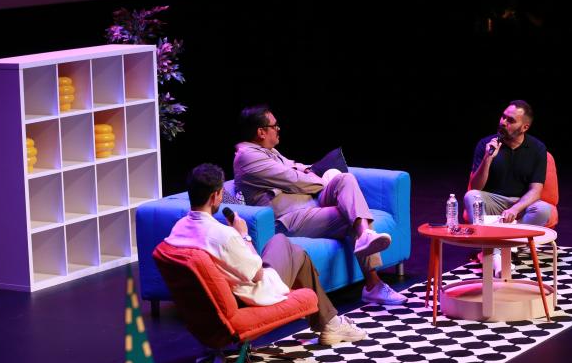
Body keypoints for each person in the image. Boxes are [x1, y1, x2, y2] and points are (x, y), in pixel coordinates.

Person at [165, 163, 367, 346]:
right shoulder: (223, 235)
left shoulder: (178, 228)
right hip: (249, 295)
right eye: (221, 193)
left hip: (210, 302)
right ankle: (331, 323)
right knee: (296, 253)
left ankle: (330, 322)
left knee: (281, 242)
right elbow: (258, 274)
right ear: (215, 196)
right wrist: (243, 235)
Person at [233, 105, 406, 305]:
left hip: (308, 205)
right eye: (274, 126)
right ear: (261, 132)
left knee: (345, 180)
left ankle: (365, 235)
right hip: (288, 219)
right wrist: (322, 180)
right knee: (351, 216)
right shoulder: (248, 157)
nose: (278, 129)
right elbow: (293, 179)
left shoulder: (268, 151)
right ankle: (373, 285)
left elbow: (296, 166)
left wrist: (310, 171)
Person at [464, 100, 552, 274]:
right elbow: (475, 186)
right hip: (493, 201)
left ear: (524, 127)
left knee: (543, 209)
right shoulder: (486, 144)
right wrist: (488, 158)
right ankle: (506, 246)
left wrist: (515, 209)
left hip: (520, 205)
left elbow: (536, 190)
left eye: (510, 120)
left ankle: (496, 248)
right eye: (503, 117)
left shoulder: (537, 148)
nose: (503, 122)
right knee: (471, 196)